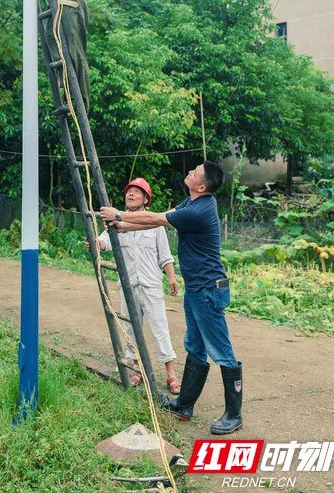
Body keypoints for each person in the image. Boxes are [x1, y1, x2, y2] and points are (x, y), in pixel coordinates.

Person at [100, 161, 243, 435]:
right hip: (198, 288)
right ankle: (184, 405)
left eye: (194, 172)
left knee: (221, 350)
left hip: (209, 289)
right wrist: (122, 227)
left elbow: (155, 219)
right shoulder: (190, 203)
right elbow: (158, 218)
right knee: (196, 346)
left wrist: (118, 215)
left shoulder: (200, 211)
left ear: (201, 186)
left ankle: (234, 414)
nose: (189, 172)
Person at [96, 177, 181, 393]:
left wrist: (171, 277)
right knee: (131, 328)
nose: (131, 194)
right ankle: (138, 370)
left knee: (159, 328)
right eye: (129, 191)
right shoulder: (115, 223)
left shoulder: (154, 225)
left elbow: (165, 255)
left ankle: (171, 375)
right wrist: (94, 242)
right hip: (128, 285)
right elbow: (103, 241)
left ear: (146, 199)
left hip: (151, 285)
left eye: (137, 191)